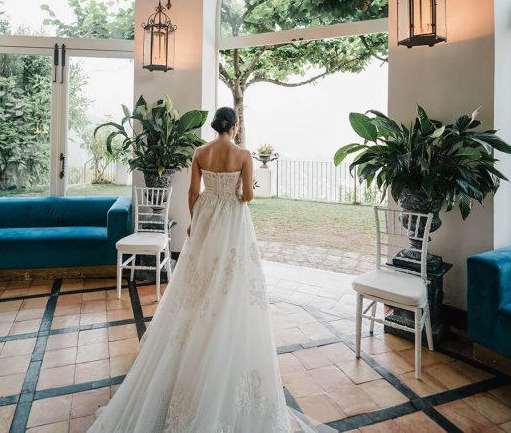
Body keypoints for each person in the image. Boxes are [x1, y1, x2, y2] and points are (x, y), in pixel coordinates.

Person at [88, 107, 335, 432]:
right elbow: (247, 196)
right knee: (233, 281)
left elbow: (193, 193)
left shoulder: (201, 152)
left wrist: (196, 222)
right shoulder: (244, 154)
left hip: (206, 219)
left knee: (198, 282)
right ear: (234, 126)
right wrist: (238, 190)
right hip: (233, 223)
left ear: (215, 126)